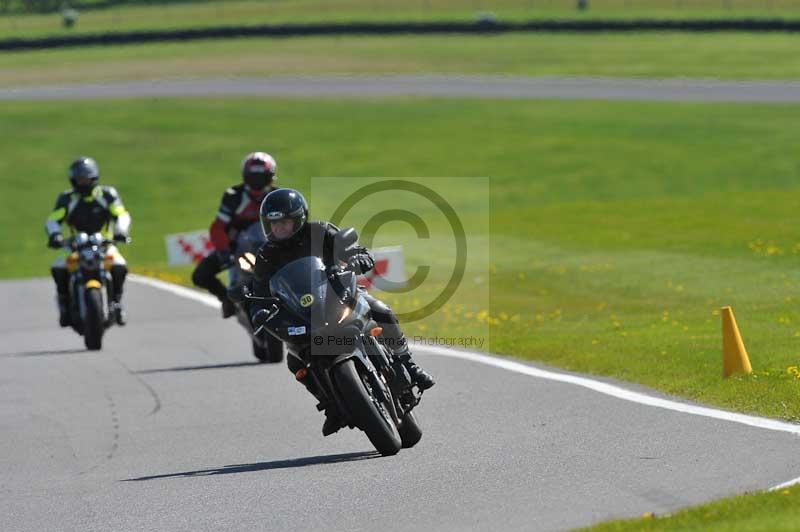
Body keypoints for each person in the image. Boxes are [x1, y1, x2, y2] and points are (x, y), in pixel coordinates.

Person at [249, 188, 435, 436]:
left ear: (299, 218)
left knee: (381, 310)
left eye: (284, 222)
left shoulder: (320, 231)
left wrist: (359, 256)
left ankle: (409, 365)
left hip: (338, 293)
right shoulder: (266, 255)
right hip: (302, 314)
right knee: (294, 360)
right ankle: (330, 406)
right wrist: (258, 311)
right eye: (273, 224)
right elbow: (259, 292)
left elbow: (352, 247)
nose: (279, 229)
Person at [46, 156, 131, 326]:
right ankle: (64, 303)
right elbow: (53, 220)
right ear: (73, 180)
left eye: (86, 179)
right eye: (79, 180)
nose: (83, 183)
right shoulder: (67, 198)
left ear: (94, 178)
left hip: (104, 245)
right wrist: (55, 235)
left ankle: (117, 302)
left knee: (119, 265)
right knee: (59, 267)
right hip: (74, 246)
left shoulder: (107, 194)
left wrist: (121, 231)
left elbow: (121, 214)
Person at [192, 152, 278, 318]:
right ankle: (226, 298)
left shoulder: (277, 197)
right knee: (200, 275)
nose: (257, 183)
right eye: (254, 178)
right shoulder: (233, 196)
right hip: (236, 249)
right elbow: (218, 228)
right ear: (245, 177)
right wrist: (224, 251)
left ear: (271, 177)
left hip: (270, 250)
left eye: (262, 177)